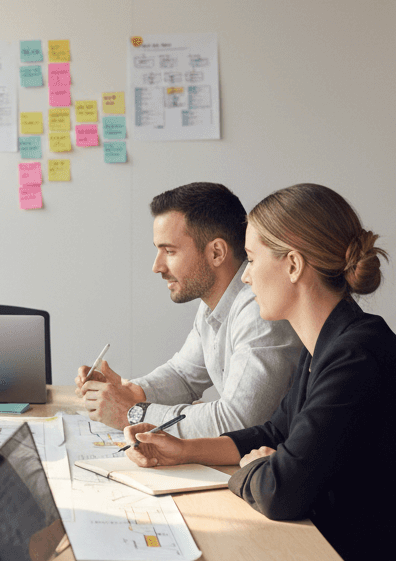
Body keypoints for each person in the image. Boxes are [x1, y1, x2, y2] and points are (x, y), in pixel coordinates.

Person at [124, 184, 396, 561]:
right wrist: (183, 449)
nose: (244, 277)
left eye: (252, 259)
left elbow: (281, 489)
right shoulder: (323, 343)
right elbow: (273, 431)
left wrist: (254, 467)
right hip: (343, 549)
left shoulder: (356, 354)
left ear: (292, 265)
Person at [76, 182, 302, 437]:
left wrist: (132, 412)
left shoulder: (258, 308)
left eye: (169, 251)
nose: (157, 266)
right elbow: (183, 375)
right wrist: (131, 393)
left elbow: (238, 421)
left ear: (216, 252)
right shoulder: (214, 303)